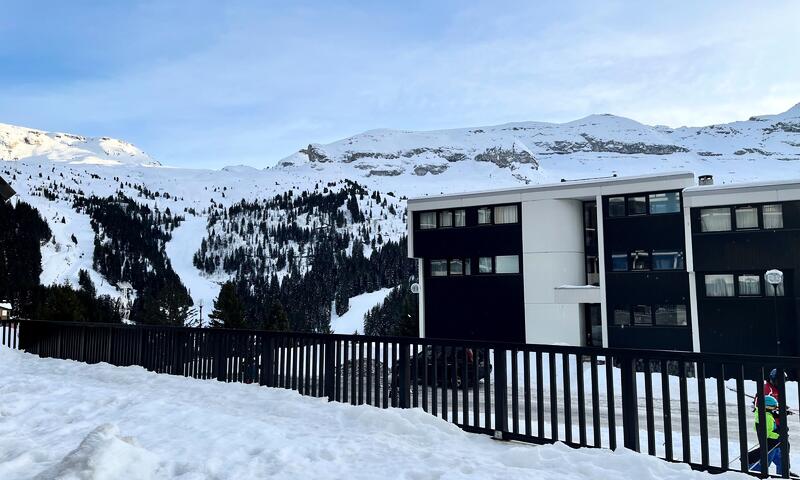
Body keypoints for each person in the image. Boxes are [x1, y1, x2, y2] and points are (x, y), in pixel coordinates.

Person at [748, 395, 784, 475]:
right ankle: (754, 472)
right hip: (771, 443)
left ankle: (783, 473)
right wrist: (779, 434)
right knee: (766, 460)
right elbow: (767, 433)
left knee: (781, 458)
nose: (776, 409)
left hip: (774, 443)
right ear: (768, 407)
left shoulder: (764, 414)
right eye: (774, 407)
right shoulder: (767, 417)